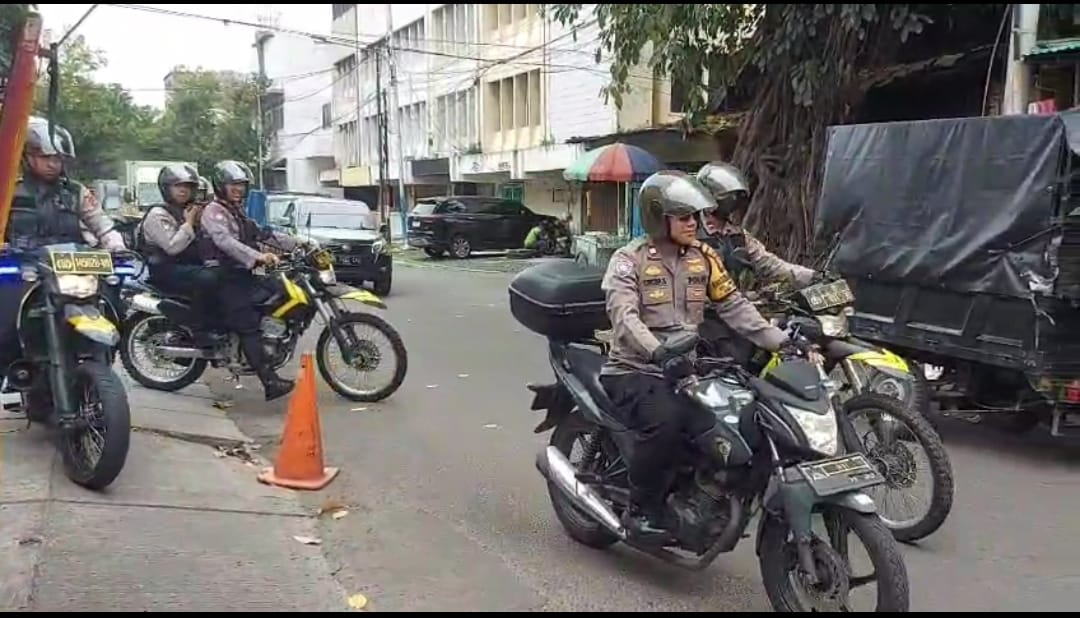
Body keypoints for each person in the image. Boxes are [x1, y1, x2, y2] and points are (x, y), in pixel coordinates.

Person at [599, 170, 805, 540]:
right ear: (658, 218)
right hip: (635, 369)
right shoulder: (629, 260)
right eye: (683, 217)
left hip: (687, 368)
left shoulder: (704, 257)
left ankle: (704, 498)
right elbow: (624, 318)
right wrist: (658, 352)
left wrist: (780, 342)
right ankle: (641, 508)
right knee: (666, 422)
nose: (693, 223)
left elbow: (734, 305)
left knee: (736, 421)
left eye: (695, 216)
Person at [0, 118, 126, 412]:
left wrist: (117, 246)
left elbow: (102, 224)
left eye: (58, 158)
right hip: (24, 269)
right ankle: (12, 373)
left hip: (72, 267)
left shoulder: (76, 192)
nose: (52, 164)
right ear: (26, 156)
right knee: (5, 325)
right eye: (45, 157)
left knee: (114, 307)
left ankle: (98, 367)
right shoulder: (8, 189)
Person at [197, 160, 300, 401]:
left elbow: (263, 233)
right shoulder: (213, 211)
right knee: (247, 322)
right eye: (233, 184)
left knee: (279, 289)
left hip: (242, 272)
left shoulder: (236, 210)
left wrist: (300, 243)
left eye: (242, 185)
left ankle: (274, 340)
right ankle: (269, 381)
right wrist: (258, 257)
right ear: (220, 185)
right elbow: (225, 242)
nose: (238, 189)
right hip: (223, 275)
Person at [694, 161, 817, 291]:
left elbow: (769, 264)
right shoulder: (691, 233)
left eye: (736, 196)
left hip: (738, 301)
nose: (733, 200)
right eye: (728, 195)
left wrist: (812, 277)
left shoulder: (738, 235)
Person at [137, 163, 218, 345]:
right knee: (208, 279)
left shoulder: (189, 211)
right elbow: (172, 247)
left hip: (186, 266)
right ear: (166, 188)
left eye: (188, 186)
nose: (183, 190)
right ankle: (200, 331)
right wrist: (189, 223)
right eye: (178, 186)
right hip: (165, 269)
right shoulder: (158, 214)